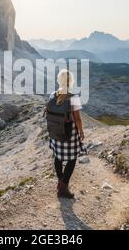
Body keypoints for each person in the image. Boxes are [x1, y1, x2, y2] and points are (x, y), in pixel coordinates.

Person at [48, 69, 85, 199]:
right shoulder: (73, 97)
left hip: (55, 132)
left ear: (59, 80)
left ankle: (60, 181)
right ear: (71, 82)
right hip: (69, 134)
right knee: (72, 159)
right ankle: (63, 187)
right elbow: (77, 119)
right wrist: (81, 131)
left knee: (58, 157)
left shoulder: (52, 95)